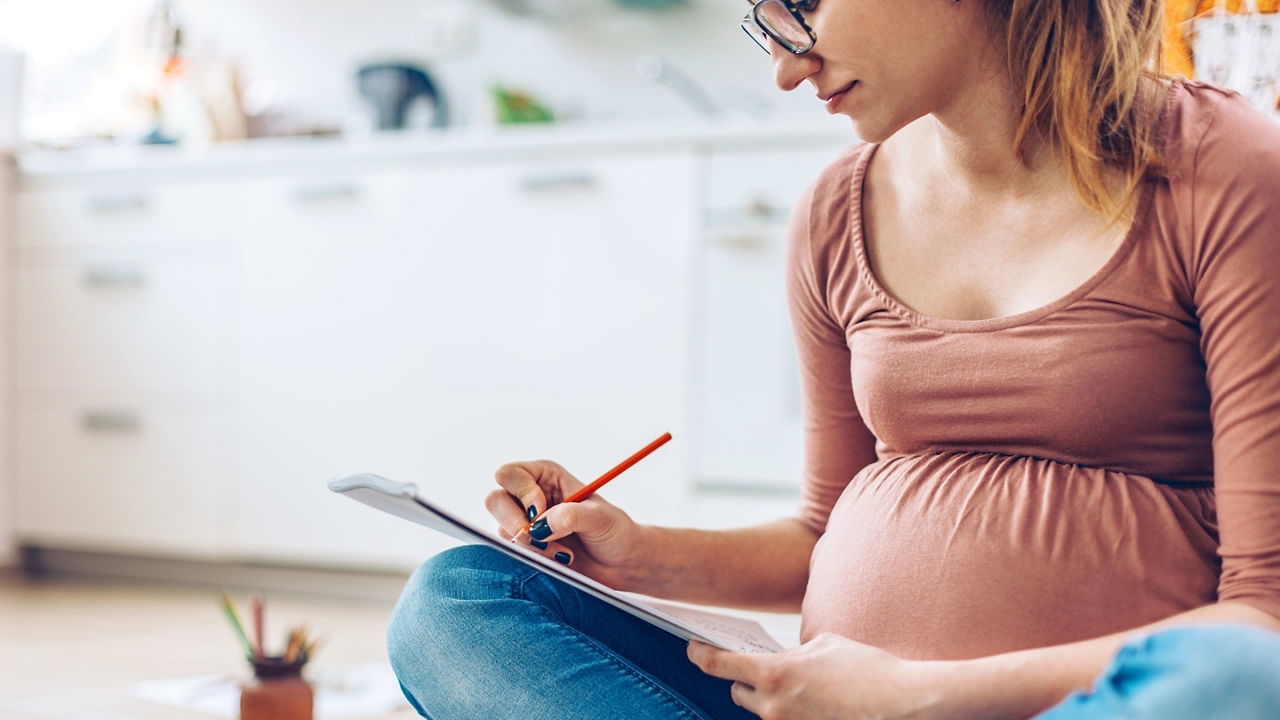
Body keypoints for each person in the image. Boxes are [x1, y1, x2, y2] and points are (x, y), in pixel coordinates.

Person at [386, 0, 1280, 717]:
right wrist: (635, 554)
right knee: (455, 603)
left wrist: (917, 698)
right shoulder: (836, 211)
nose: (785, 67)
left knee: (1237, 674)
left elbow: (1263, 617)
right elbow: (822, 538)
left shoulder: (1222, 173)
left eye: (805, 6)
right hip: (820, 706)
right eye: (766, 18)